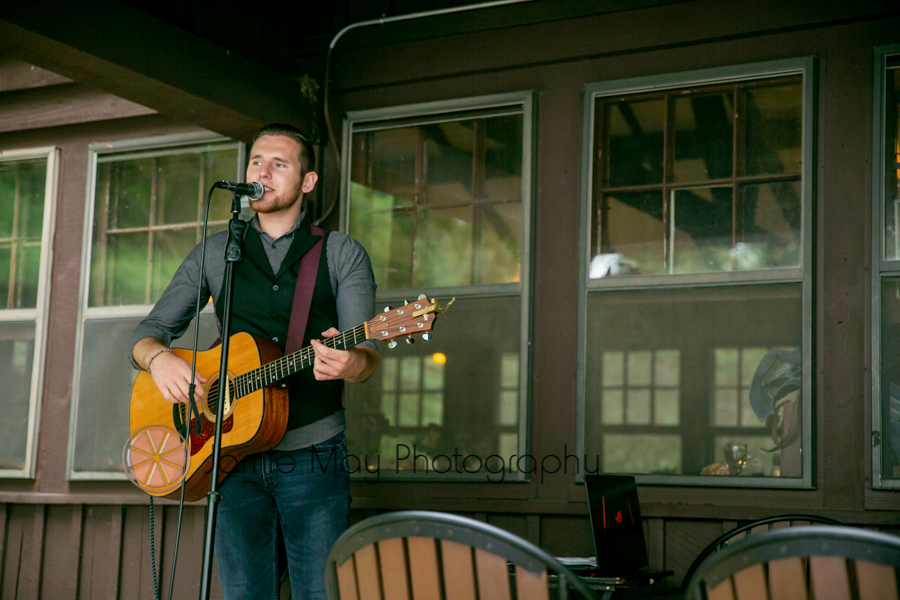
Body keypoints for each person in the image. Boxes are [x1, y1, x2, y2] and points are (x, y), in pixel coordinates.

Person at [130, 123, 379, 599]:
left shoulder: (340, 253)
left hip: (313, 455)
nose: (262, 172)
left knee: (319, 594)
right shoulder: (215, 252)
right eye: (255, 162)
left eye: (278, 164)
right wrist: (159, 360)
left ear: (306, 182)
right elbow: (146, 336)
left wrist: (351, 364)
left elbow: (365, 355)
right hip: (230, 456)